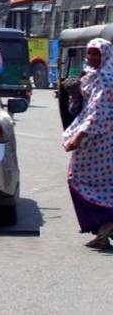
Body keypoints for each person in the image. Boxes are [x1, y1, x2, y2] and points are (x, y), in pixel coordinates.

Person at [62, 38, 113, 249]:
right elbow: (82, 106)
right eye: (90, 53)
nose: (92, 57)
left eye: (96, 54)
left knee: (78, 179)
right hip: (95, 138)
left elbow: (97, 112)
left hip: (100, 139)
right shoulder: (92, 75)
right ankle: (103, 228)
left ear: (106, 55)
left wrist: (79, 136)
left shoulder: (105, 79)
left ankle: (107, 223)